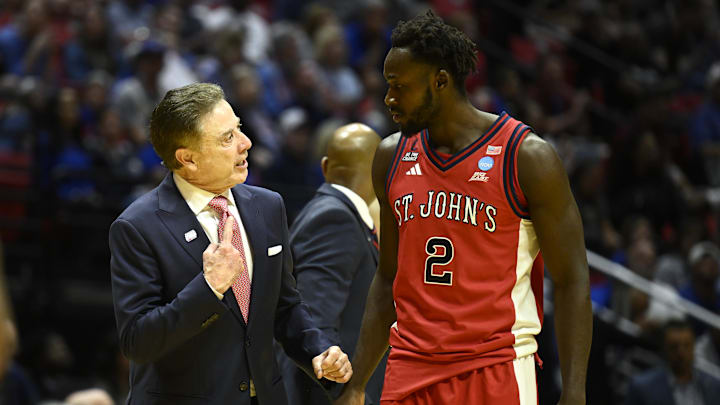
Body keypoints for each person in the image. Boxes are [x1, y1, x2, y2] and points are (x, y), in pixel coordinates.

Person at [336, 10, 591, 405]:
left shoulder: (526, 157)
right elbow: (388, 279)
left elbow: (572, 277)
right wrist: (356, 383)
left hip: (494, 368)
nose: (388, 98)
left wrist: (574, 393)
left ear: (440, 81)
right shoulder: (391, 156)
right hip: (409, 369)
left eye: (399, 86)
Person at [109, 82, 352, 405]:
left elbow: (285, 307)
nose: (246, 143)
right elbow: (137, 341)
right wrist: (209, 288)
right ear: (188, 159)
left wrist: (318, 351)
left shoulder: (268, 206)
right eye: (228, 138)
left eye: (239, 129)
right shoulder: (137, 227)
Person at [279, 123, 386, 405]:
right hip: (330, 396)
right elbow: (315, 321)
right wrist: (344, 392)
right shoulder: (335, 220)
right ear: (380, 171)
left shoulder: (331, 212)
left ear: (325, 167)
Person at [625, 320, 720, 405]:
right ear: (664, 349)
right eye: (674, 347)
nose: (681, 353)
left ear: (694, 347)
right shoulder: (642, 388)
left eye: (687, 345)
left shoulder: (713, 386)